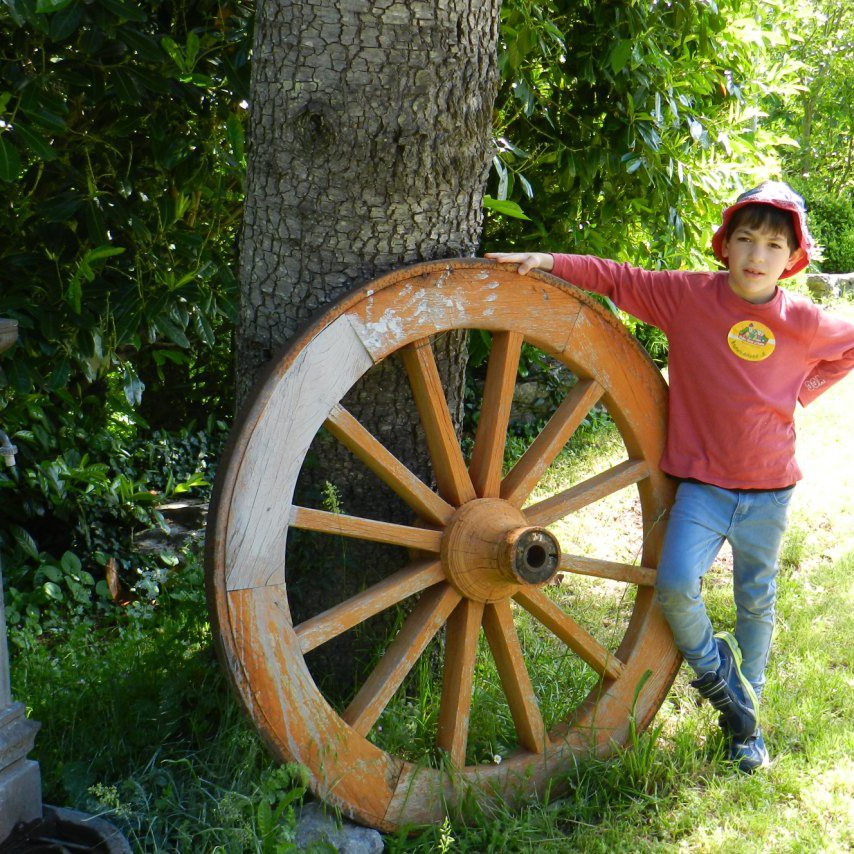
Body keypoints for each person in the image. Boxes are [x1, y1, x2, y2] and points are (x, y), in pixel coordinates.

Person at [487, 181, 854, 772]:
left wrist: (804, 389)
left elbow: (849, 346)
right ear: (725, 246)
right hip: (703, 489)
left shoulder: (804, 321)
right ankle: (720, 679)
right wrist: (549, 262)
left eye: (772, 245)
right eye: (746, 240)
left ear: (793, 258)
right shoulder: (688, 298)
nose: (757, 256)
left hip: (770, 491)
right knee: (678, 584)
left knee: (755, 600)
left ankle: (745, 721)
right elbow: (617, 278)